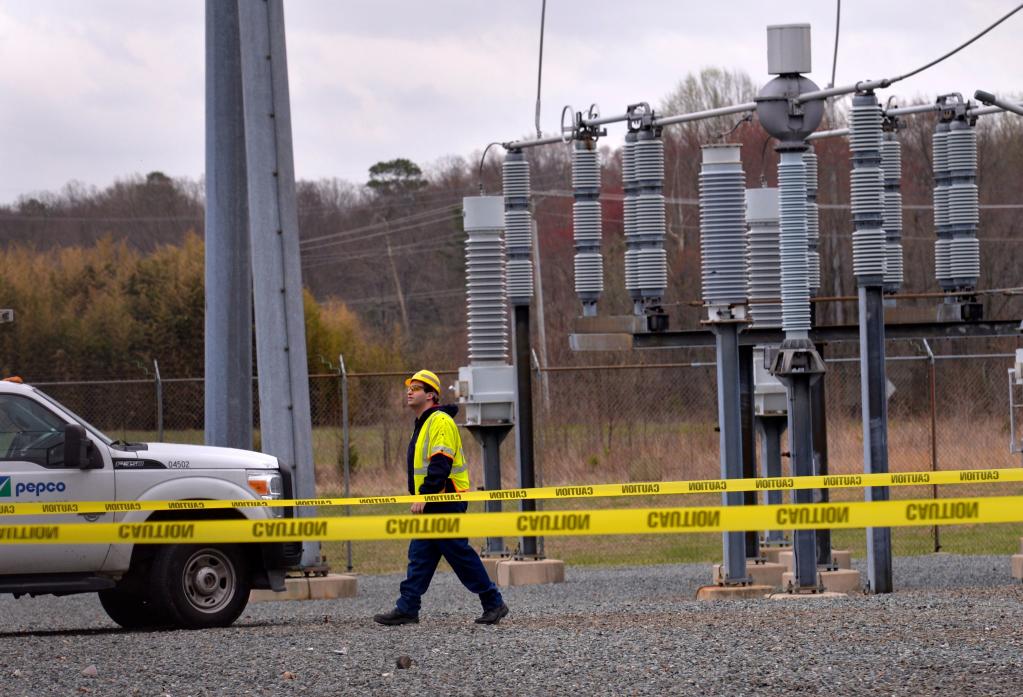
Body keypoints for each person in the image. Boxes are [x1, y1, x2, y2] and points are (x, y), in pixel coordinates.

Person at [373, 369, 509, 626]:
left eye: (416, 387)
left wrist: (426, 496)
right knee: (420, 556)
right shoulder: (424, 423)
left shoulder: (439, 422)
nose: (409, 391)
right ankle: (407, 607)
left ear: (431, 395)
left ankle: (493, 602)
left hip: (443, 501)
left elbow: (440, 463)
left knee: (458, 554)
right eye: (409, 387)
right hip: (434, 501)